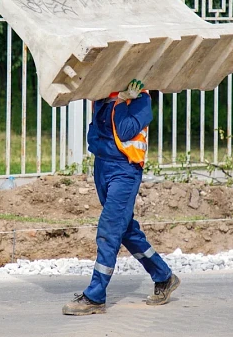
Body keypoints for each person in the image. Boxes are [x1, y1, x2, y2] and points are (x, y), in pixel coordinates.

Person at [63, 79, 180, 316]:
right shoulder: (101, 93)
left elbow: (126, 129)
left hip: (124, 172)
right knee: (125, 229)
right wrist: (112, 98)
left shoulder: (142, 99)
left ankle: (95, 295)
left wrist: (124, 100)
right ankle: (164, 276)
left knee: (109, 230)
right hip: (102, 166)